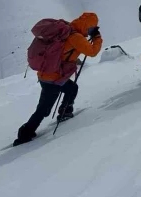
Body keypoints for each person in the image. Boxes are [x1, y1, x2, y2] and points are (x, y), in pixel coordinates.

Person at [14, 12, 103, 146]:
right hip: (53, 78)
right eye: (91, 28)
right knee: (43, 109)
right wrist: (97, 38)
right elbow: (92, 52)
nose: (91, 31)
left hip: (48, 75)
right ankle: (25, 134)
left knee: (72, 88)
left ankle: (65, 112)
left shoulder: (67, 29)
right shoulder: (75, 37)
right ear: (87, 26)